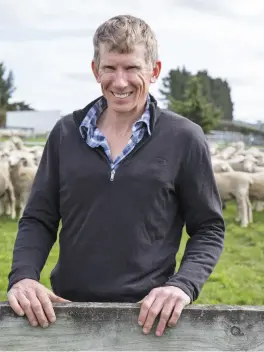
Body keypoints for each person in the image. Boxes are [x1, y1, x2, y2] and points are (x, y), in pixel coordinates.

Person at [7, 14, 225, 337]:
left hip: (148, 323)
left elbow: (208, 227)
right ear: (96, 71)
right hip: (64, 317)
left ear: (154, 71)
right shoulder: (65, 134)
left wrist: (183, 285)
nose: (120, 82)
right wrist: (23, 275)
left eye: (132, 68)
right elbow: (39, 218)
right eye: (110, 68)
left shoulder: (184, 138)